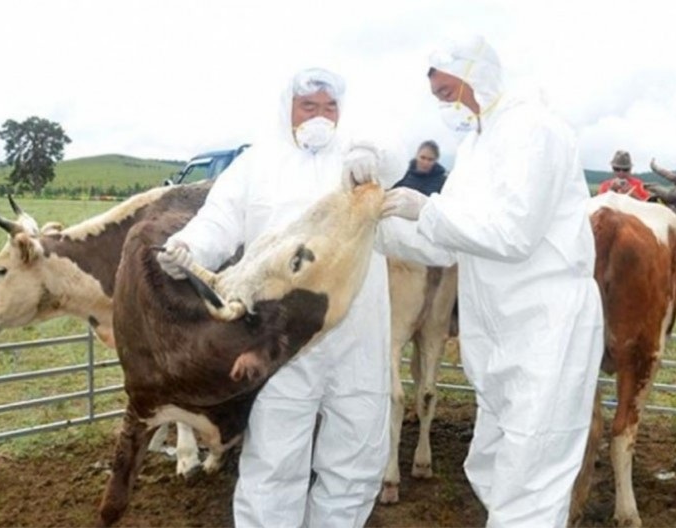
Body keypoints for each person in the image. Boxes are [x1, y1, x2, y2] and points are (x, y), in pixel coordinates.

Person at [156, 67, 404, 528]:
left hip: (357, 333)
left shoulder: (357, 160)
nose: (320, 117)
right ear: (287, 107)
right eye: (309, 106)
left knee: (356, 456)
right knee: (274, 460)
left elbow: (396, 154)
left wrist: (373, 154)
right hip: (279, 340)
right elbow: (220, 219)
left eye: (330, 107)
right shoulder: (258, 163)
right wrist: (189, 246)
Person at [378, 35, 604, 527]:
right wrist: (378, 231)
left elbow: (515, 233)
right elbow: (445, 244)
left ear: (476, 75)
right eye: (437, 96)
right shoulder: (477, 143)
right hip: (501, 330)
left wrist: (428, 210)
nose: (443, 106)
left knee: (532, 475)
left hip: (545, 323)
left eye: (446, 92)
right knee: (496, 464)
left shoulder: (534, 129)